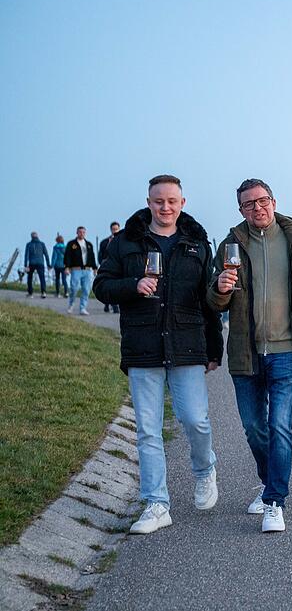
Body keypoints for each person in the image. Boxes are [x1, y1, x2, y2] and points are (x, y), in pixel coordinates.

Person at [208, 178, 292, 533]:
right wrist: (220, 290)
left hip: (287, 351)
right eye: (249, 204)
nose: (258, 208)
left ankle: (274, 501)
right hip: (246, 352)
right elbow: (213, 300)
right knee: (254, 428)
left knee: (279, 425)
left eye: (263, 200)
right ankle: (270, 482)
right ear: (241, 210)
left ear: (273, 201)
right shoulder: (230, 245)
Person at [93, 174, 223, 534]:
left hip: (187, 345)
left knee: (195, 419)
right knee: (148, 430)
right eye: (158, 201)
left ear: (182, 203)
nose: (165, 207)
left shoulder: (197, 243)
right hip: (143, 346)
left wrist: (214, 348)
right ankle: (156, 504)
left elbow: (209, 302)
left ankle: (205, 470)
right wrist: (133, 285)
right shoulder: (125, 242)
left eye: (171, 201)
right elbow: (102, 286)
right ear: (149, 202)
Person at [64, 226, 97, 315]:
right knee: (74, 288)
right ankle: (71, 304)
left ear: (85, 233)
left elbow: (92, 257)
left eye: (83, 232)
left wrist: (95, 268)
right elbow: (67, 256)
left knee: (86, 289)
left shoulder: (89, 244)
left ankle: (83, 308)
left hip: (87, 270)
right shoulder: (72, 244)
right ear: (77, 233)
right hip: (76, 269)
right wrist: (67, 267)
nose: (81, 234)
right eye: (80, 232)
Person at [98, 221, 121, 313]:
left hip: (119, 268)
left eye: (116, 229)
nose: (115, 231)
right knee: (108, 286)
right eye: (113, 229)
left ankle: (114, 305)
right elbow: (100, 255)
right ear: (111, 230)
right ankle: (110, 305)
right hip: (108, 267)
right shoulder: (104, 242)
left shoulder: (123, 241)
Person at [24, 232, 51, 298]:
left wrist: (26, 265)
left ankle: (30, 293)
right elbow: (46, 255)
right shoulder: (42, 244)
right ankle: (43, 292)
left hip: (31, 263)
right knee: (42, 278)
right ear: (37, 236)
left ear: (31, 237)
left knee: (30, 278)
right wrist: (48, 264)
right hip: (40, 263)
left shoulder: (29, 244)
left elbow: (26, 255)